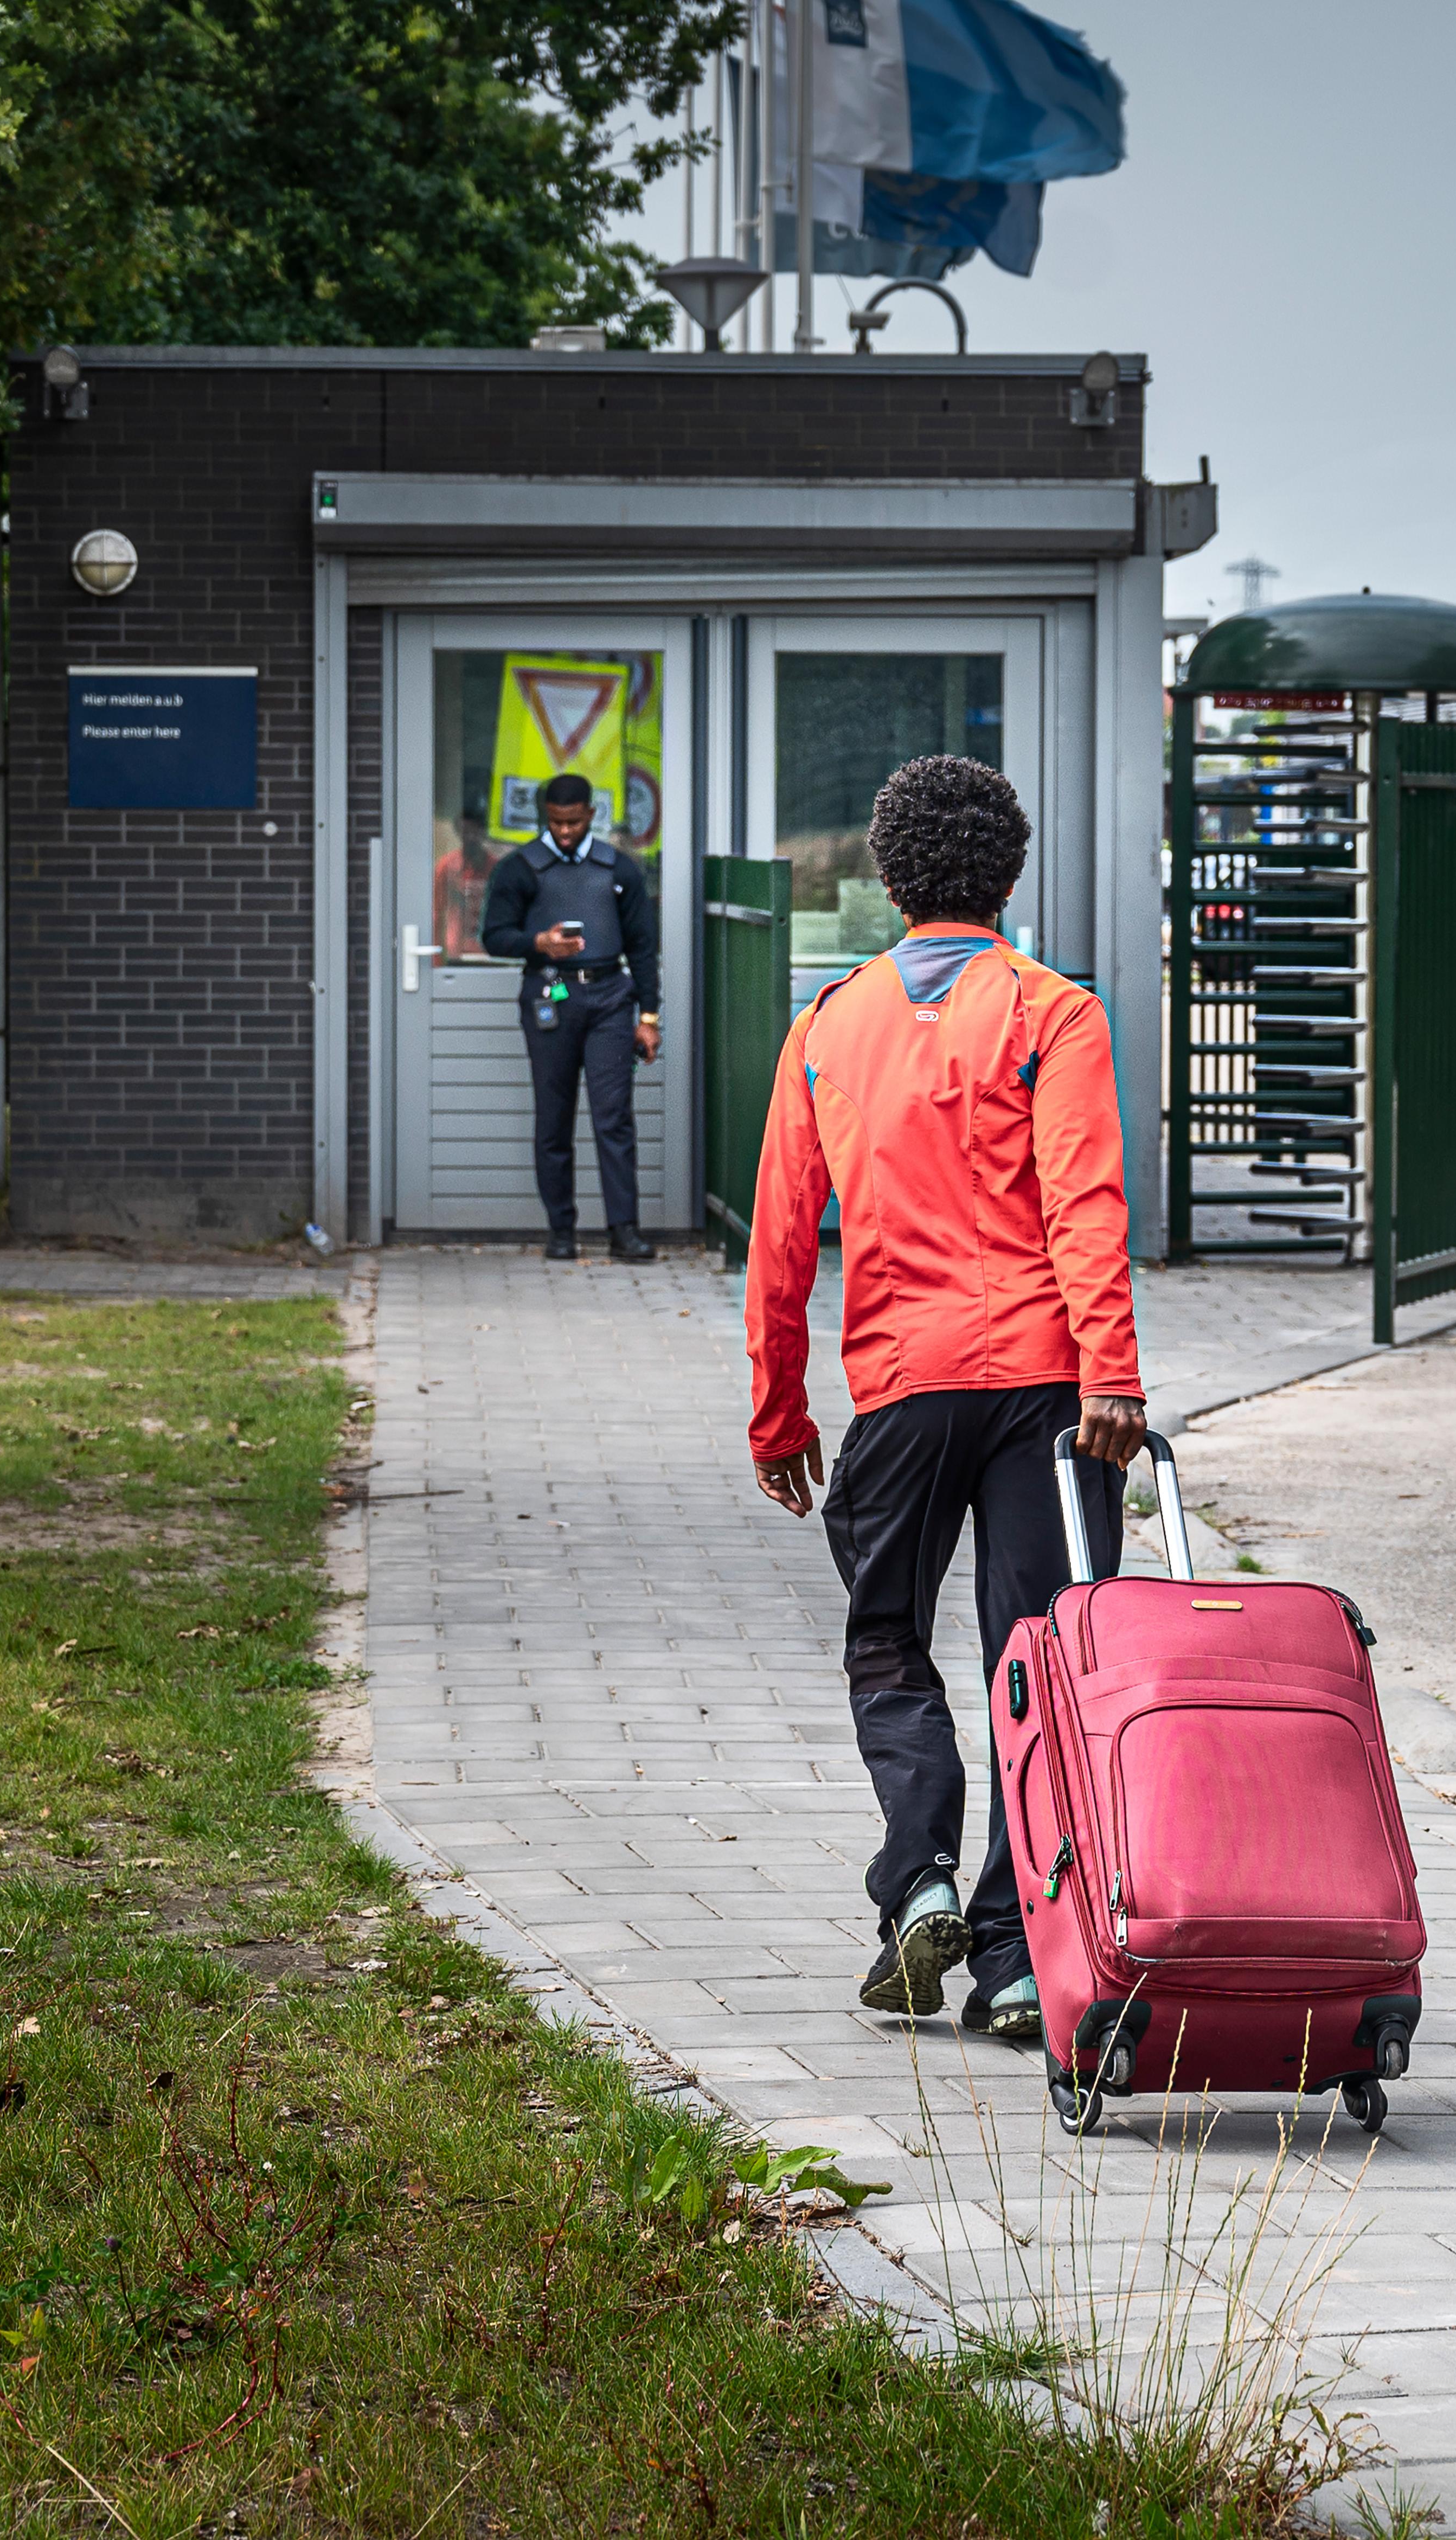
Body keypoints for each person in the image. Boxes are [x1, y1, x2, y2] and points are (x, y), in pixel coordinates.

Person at [745, 754, 1145, 2041]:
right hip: (1046, 1389)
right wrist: (1113, 1377)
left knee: (885, 1639)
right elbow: (1086, 1206)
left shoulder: (828, 1023)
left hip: (902, 1386)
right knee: (1039, 1662)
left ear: (885, 875)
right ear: (1009, 876)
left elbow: (779, 1235)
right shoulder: (1054, 1012)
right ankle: (1018, 1954)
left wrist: (779, 1412)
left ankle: (915, 1875)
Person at [480, 771, 662, 1262]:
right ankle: (561, 1231)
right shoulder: (521, 869)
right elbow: (494, 936)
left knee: (614, 1118)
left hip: (609, 998)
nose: (565, 831)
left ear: (591, 815)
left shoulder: (618, 870)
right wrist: (536, 943)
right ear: (546, 816)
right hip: (550, 994)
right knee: (553, 1119)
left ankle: (624, 1231)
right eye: (557, 822)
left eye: (574, 822)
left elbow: (644, 947)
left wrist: (649, 1017)